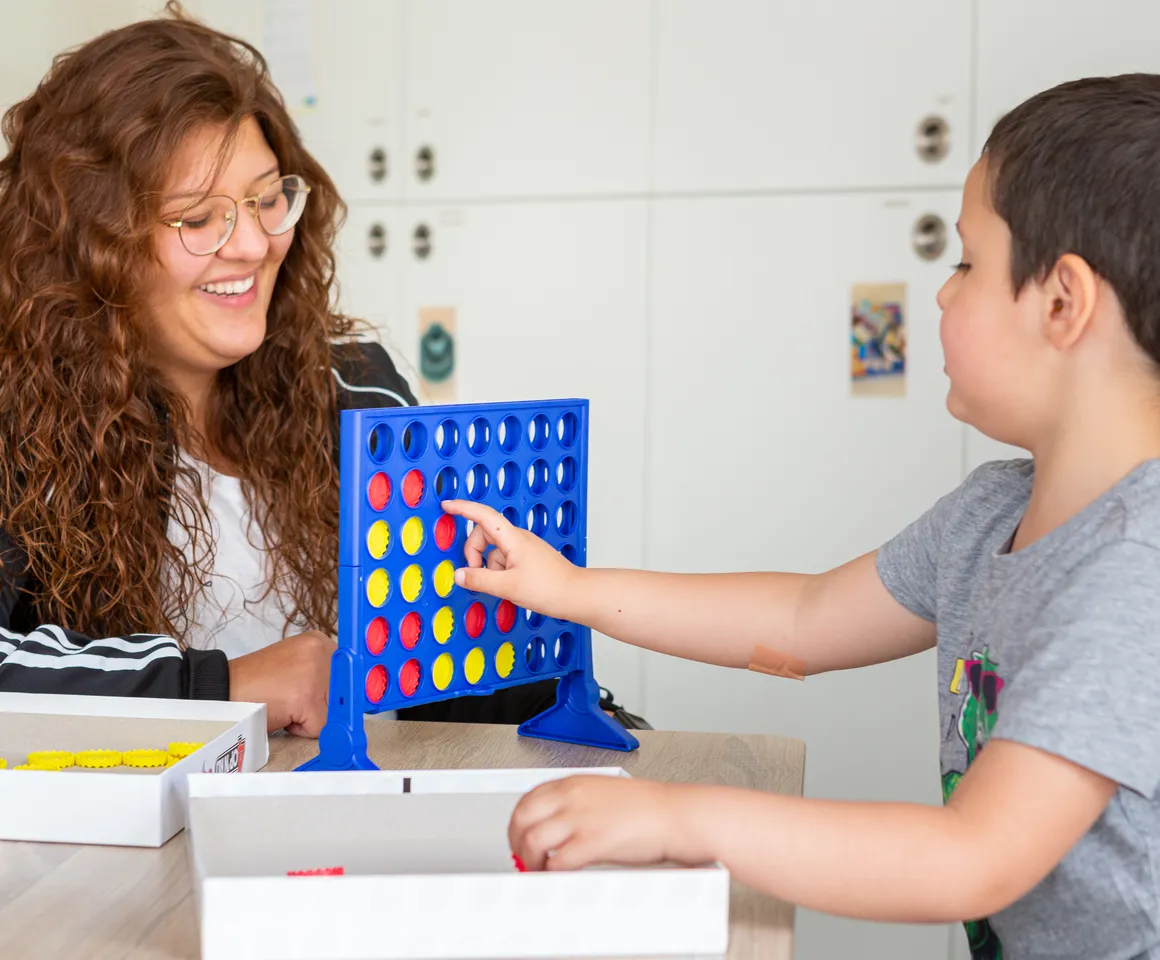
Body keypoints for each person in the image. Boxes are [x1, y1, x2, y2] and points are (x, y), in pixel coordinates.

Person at [444, 73, 1160, 960]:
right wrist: (568, 589)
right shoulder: (990, 513)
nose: (943, 294)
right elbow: (801, 621)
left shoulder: (1134, 569)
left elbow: (972, 858)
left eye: (967, 263)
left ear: (1062, 303)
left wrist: (680, 818)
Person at [0, 6, 563, 734]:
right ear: (89, 243)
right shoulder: (19, 421)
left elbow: (458, 639)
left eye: (267, 200)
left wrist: (576, 707)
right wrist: (225, 686)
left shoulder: (352, 385)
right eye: (198, 218)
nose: (253, 245)